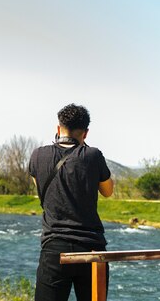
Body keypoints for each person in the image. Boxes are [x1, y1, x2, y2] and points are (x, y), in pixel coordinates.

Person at [28, 103, 114, 301]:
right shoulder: (93, 155)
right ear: (86, 133)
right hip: (91, 249)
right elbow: (108, 191)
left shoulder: (38, 155)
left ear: (58, 129)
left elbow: (40, 187)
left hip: (54, 249)